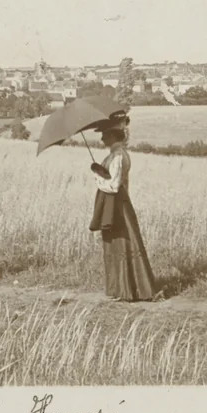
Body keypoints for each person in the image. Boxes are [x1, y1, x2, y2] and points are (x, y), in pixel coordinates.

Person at [88, 114, 157, 302]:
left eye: (104, 134)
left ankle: (128, 290)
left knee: (121, 243)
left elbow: (114, 185)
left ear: (112, 135)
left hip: (117, 204)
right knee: (116, 243)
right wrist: (100, 171)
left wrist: (98, 177)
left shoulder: (118, 156)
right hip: (114, 203)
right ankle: (121, 289)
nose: (102, 138)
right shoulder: (114, 155)